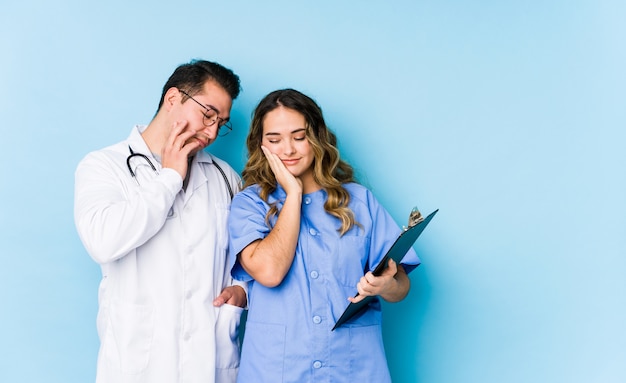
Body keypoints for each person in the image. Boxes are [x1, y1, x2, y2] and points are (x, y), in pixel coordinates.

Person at [227, 88, 421, 382]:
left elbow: (401, 286)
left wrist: (383, 286)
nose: (288, 149)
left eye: (299, 136)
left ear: (317, 137)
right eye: (274, 139)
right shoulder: (249, 203)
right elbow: (269, 272)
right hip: (277, 369)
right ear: (260, 145)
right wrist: (293, 193)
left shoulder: (359, 201)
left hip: (353, 367)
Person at [74, 59, 247, 383]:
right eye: (207, 114)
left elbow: (246, 257)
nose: (212, 132)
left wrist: (241, 291)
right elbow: (102, 241)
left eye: (220, 123)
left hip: (209, 364)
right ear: (172, 100)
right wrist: (169, 178)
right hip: (137, 365)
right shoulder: (104, 166)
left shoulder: (225, 177)